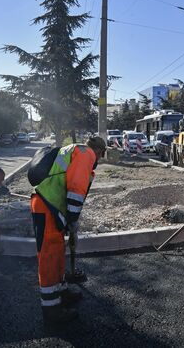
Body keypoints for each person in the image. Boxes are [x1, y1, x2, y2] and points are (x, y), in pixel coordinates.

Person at [31, 136, 106, 323]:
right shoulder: (85, 153)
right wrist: (73, 219)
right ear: (98, 151)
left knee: (57, 252)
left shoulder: (75, 151)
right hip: (47, 205)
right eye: (102, 155)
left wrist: (68, 219)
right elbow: (76, 187)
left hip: (51, 206)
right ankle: (51, 309)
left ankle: (61, 291)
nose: (99, 159)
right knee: (48, 256)